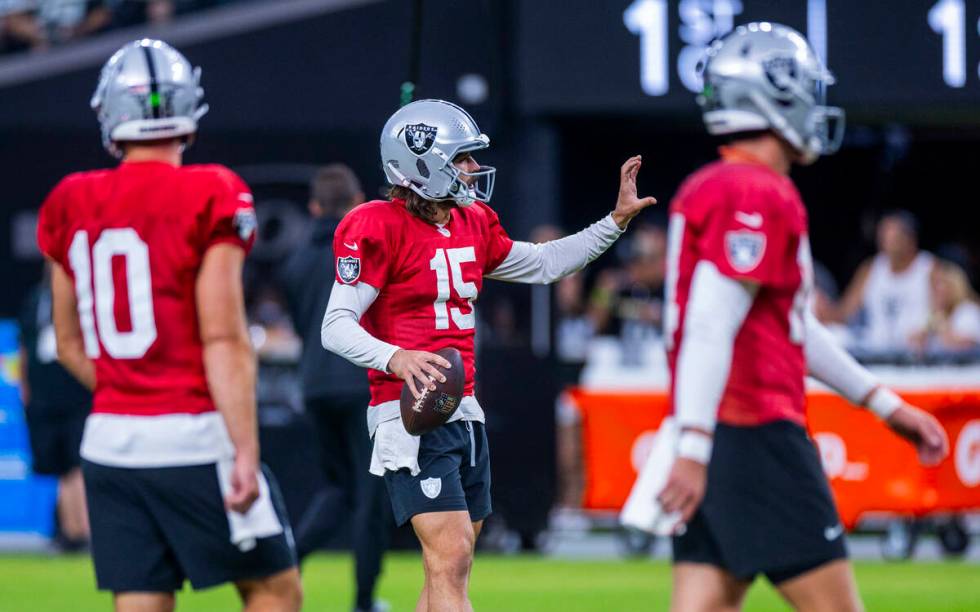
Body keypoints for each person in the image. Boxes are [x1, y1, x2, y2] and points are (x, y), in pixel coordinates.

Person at [657, 23, 949, 612]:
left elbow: (790, 327)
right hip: (756, 432)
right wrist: (694, 443)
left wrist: (884, 404)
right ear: (771, 95)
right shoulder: (754, 189)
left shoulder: (721, 184)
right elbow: (712, 322)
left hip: (721, 431)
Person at [321, 98, 656, 611]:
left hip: (464, 408)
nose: (474, 170)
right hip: (409, 412)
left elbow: (543, 263)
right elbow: (335, 327)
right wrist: (398, 358)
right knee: (450, 556)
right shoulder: (374, 224)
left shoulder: (473, 221)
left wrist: (613, 223)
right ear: (421, 163)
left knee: (449, 565)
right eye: (462, 159)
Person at [37, 39, 301, 612]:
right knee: (276, 589)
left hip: (110, 443)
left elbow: (67, 342)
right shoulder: (212, 190)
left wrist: (125, 391)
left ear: (110, 111)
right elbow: (224, 336)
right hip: (194, 435)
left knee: (141, 600)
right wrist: (246, 451)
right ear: (189, 109)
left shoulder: (68, 199)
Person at [279, 164, 392, 612]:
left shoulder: (295, 260)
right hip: (363, 381)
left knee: (336, 489)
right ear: (358, 200)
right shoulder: (367, 246)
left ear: (313, 206)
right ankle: (364, 601)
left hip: (314, 386)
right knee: (370, 497)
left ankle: (285, 562)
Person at [19, 262, 93, 550]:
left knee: (79, 466)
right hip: (45, 401)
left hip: (77, 397)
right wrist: (26, 390)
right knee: (61, 468)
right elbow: (25, 348)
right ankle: (70, 531)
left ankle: (85, 532)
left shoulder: (83, 299)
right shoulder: (35, 300)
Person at [835, 211, 935, 353]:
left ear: (910, 239)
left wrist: (927, 330)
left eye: (893, 235)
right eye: (883, 235)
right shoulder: (870, 268)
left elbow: (943, 313)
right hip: (876, 351)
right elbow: (846, 312)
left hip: (917, 352)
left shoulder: (930, 268)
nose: (886, 241)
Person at [909, 260, 980, 354]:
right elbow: (912, 344)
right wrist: (922, 336)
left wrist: (942, 326)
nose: (934, 291)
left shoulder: (967, 310)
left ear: (955, 286)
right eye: (932, 285)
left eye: (940, 284)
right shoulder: (930, 313)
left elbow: (966, 347)